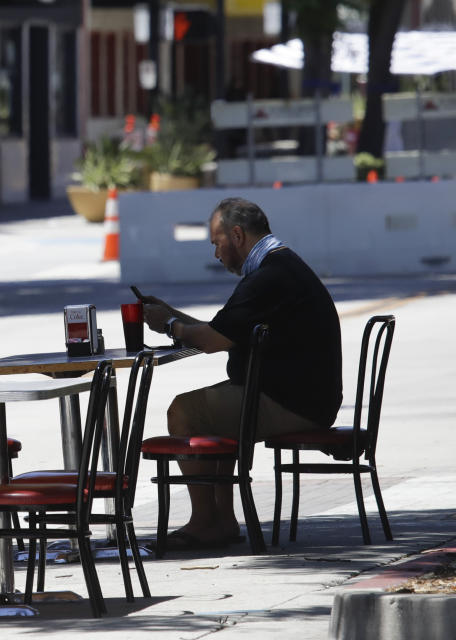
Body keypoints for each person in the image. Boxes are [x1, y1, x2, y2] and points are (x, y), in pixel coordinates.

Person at [142, 197, 342, 550]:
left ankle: (207, 522)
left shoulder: (268, 277)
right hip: (302, 397)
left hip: (294, 403)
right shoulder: (279, 266)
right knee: (211, 410)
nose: (216, 254)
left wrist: (170, 325)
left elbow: (214, 340)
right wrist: (169, 315)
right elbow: (224, 329)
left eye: (217, 243)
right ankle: (220, 521)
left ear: (236, 235)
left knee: (185, 411)